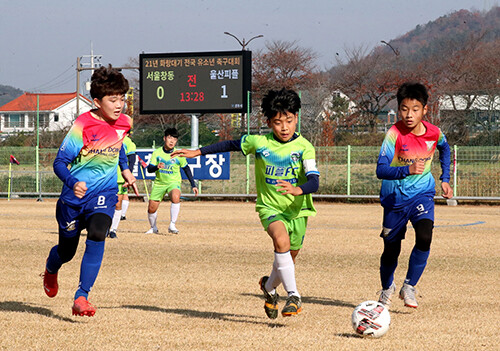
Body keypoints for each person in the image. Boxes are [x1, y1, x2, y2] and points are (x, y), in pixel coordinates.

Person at [172, 88, 320, 319]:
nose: (284, 127)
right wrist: (198, 152)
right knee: (280, 241)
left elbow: (314, 181)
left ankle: (269, 288)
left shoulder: (304, 147)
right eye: (278, 122)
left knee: (287, 258)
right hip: (269, 207)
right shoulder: (258, 142)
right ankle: (294, 296)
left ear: (296, 118)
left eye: (289, 121)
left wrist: (297, 189)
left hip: (298, 210)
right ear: (269, 122)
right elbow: (229, 145)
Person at [42, 65, 136, 317]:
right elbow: (59, 163)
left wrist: (125, 169)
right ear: (97, 101)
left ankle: (82, 296)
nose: (120, 105)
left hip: (103, 194)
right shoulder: (82, 125)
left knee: (97, 233)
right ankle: (51, 270)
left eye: (122, 99)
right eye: (113, 100)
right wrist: (74, 183)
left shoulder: (124, 122)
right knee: (66, 252)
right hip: (73, 200)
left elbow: (119, 146)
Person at [376, 82, 453, 309]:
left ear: (425, 109)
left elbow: (446, 149)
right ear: (398, 109)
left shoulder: (434, 132)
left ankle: (409, 286)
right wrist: (406, 170)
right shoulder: (394, 134)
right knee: (391, 249)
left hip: (423, 194)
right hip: (395, 199)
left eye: (415, 109)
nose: (409, 115)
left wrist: (445, 179)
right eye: (404, 109)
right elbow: (381, 170)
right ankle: (387, 287)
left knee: (425, 236)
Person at [145, 127, 198, 234]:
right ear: (164, 138)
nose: (172, 141)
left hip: (173, 182)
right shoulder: (157, 153)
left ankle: (172, 225)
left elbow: (186, 169)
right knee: (151, 209)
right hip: (159, 183)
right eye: (170, 138)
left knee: (175, 196)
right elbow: (149, 169)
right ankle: (153, 228)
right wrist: (156, 167)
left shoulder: (179, 154)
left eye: (174, 139)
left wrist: (193, 184)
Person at [108, 134, 137, 238]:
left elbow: (131, 160)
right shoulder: (105, 136)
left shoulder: (128, 142)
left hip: (119, 177)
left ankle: (112, 230)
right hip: (104, 176)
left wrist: (128, 176)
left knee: (117, 204)